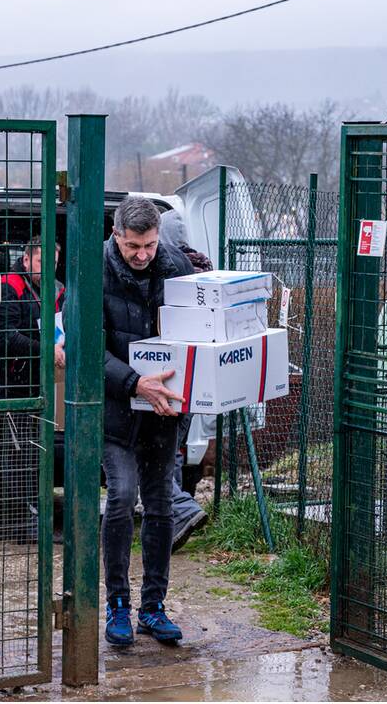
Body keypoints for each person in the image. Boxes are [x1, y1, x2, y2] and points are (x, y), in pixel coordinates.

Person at [101, 196, 194, 647]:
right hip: (117, 409)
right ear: (117, 235)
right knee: (120, 499)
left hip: (164, 411)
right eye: (134, 246)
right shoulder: (92, 270)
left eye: (150, 246)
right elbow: (86, 348)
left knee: (161, 507)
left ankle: (153, 608)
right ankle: (116, 604)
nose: (142, 255)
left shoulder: (176, 266)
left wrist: (189, 393)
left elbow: (199, 337)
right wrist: (136, 383)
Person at [0, 236, 65, 545]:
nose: (48, 269)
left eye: (53, 263)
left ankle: (13, 520)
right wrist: (46, 349)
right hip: (7, 384)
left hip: (34, 383)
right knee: (11, 453)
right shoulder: (10, 286)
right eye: (42, 262)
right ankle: (15, 522)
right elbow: (5, 336)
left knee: (27, 451)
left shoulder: (53, 289)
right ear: (27, 260)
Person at [157, 210, 212, 552]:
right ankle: (173, 521)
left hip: (168, 372)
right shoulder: (205, 267)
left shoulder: (172, 271)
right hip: (197, 376)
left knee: (156, 453)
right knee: (173, 449)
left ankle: (180, 511)